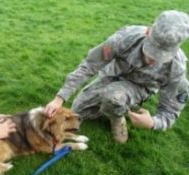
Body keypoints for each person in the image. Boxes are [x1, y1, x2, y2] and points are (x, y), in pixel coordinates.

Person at [45, 10, 189, 143]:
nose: (152, 59)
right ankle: (116, 105)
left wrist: (152, 123)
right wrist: (60, 98)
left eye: (161, 55)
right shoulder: (124, 38)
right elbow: (90, 65)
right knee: (79, 111)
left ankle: (117, 117)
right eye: (151, 49)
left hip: (139, 88)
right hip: (111, 76)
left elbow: (171, 110)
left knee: (113, 96)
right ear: (148, 31)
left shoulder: (177, 68)